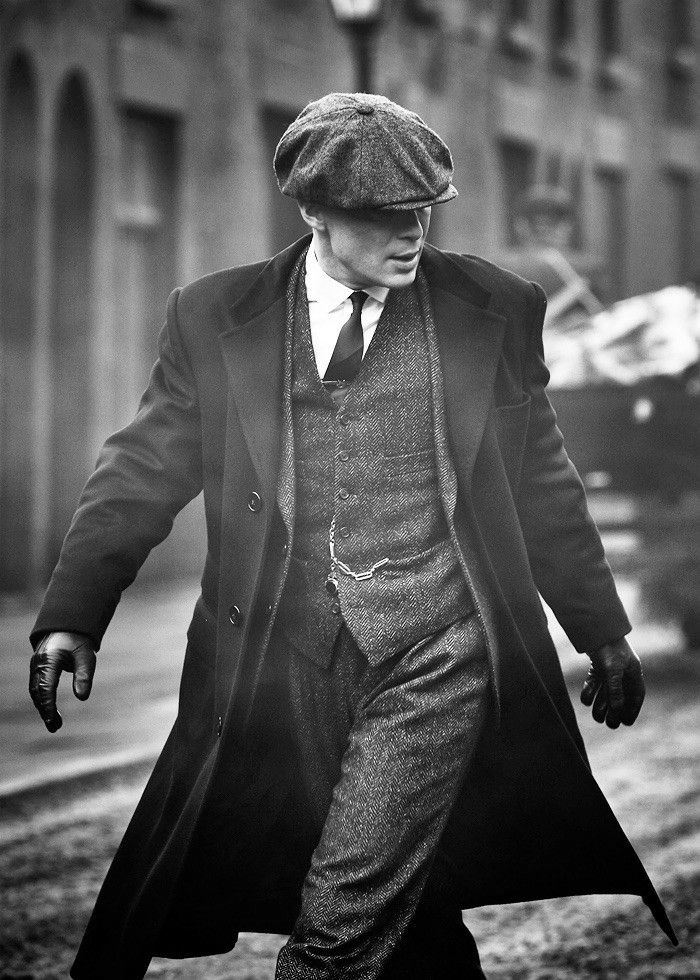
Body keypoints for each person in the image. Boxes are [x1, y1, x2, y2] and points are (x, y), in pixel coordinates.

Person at [28, 93, 676, 979]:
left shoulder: (495, 307)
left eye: (421, 211)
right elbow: (143, 468)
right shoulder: (218, 316)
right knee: (403, 910)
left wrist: (601, 630)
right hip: (280, 656)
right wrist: (73, 611)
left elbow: (541, 484)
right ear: (313, 213)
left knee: (341, 915)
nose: (410, 234)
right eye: (381, 216)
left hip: (439, 650)